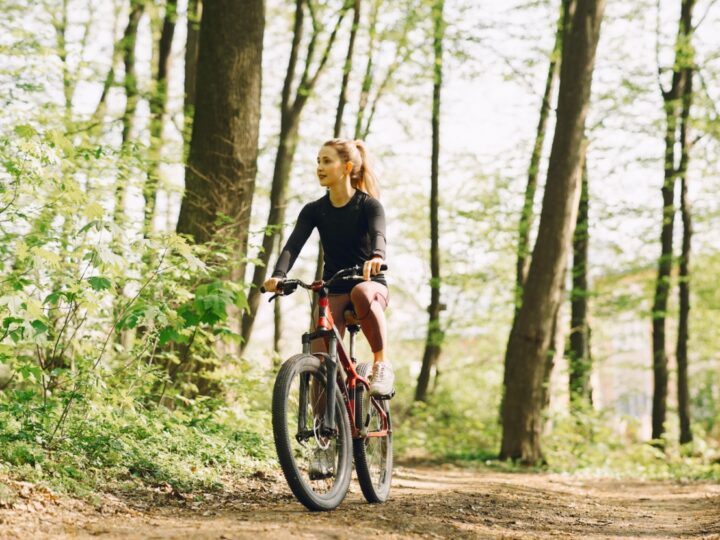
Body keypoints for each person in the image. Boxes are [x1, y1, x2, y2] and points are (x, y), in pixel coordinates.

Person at [263, 138, 394, 399]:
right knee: (321, 358)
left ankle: (381, 364)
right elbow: (293, 246)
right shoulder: (314, 210)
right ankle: (326, 429)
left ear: (346, 167)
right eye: (318, 161)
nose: (320, 167)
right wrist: (279, 275)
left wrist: (377, 256)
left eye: (327, 161)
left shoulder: (369, 205)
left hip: (369, 285)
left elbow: (379, 235)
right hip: (333, 288)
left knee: (361, 292)